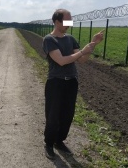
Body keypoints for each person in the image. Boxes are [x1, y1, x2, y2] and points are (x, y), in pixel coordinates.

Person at [42, 9, 104, 159]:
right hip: (55, 82)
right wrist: (82, 52)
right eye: (66, 21)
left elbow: (81, 60)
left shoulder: (70, 38)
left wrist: (93, 44)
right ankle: (49, 144)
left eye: (71, 21)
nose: (69, 24)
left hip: (71, 82)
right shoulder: (49, 40)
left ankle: (59, 141)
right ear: (57, 22)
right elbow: (61, 61)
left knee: (67, 114)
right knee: (53, 115)